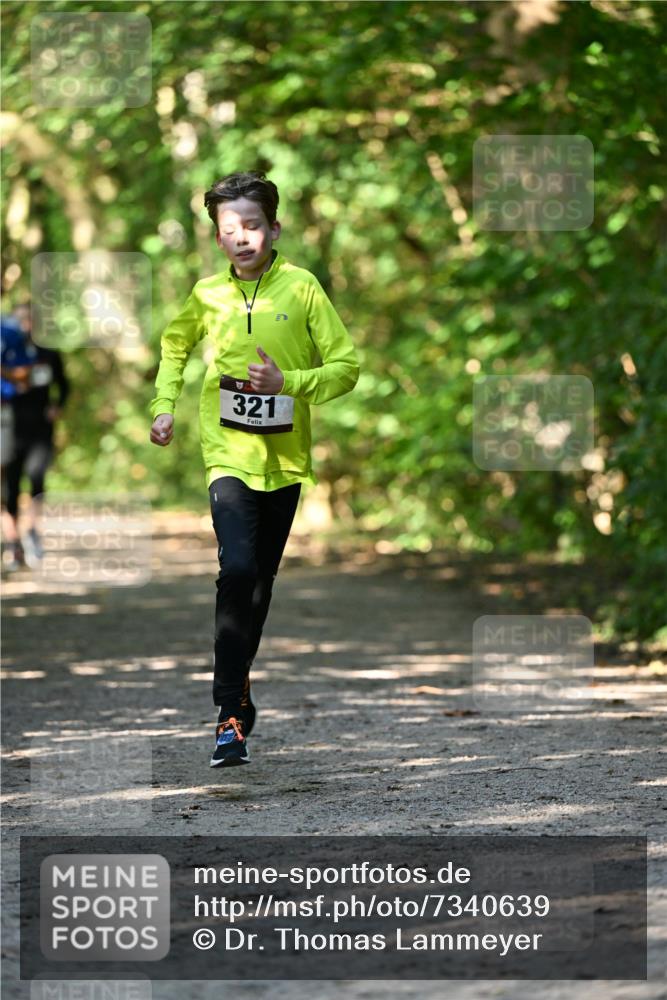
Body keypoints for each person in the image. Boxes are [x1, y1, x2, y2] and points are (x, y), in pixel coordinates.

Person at [149, 171, 360, 768]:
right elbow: (175, 346)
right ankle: (227, 713)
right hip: (227, 454)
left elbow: (346, 367)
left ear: (274, 228)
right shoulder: (207, 294)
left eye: (252, 226)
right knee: (235, 569)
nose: (241, 237)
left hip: (286, 460)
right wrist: (164, 406)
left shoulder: (302, 288)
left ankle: (240, 694)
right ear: (216, 235)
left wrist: (288, 382)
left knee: (260, 584)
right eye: (228, 229)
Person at [1, 302, 70, 571]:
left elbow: (63, 385)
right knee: (11, 487)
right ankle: (13, 543)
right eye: (20, 321)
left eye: (30, 321)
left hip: (40, 428)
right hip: (9, 426)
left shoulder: (48, 353)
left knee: (37, 478)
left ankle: (32, 532)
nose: (25, 326)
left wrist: (57, 406)